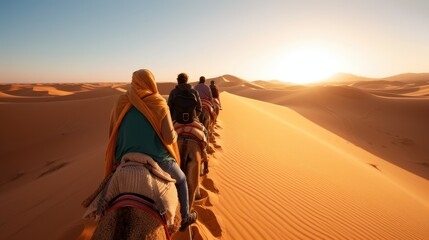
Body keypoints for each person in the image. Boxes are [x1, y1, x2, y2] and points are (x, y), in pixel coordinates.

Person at [105, 69, 197, 231]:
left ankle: (101, 213)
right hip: (158, 159)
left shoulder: (120, 101)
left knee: (105, 191)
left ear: (134, 82)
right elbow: (169, 139)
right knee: (182, 179)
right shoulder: (158, 102)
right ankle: (185, 216)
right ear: (151, 82)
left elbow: (112, 132)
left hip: (124, 157)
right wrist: (174, 135)